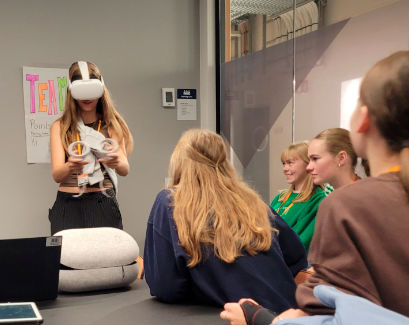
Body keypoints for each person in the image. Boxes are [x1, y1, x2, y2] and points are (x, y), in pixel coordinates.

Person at [220, 50, 409, 325]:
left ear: (364, 119)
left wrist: (259, 321)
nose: (307, 167)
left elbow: (323, 322)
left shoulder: (346, 205)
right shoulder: (350, 200)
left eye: (314, 159)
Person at [144, 129, 308, 312]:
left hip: (248, 321)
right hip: (289, 316)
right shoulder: (252, 201)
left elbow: (166, 288)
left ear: (180, 162)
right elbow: (297, 257)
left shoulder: (170, 202)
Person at [49, 61, 133, 234]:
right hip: (68, 203)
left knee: (108, 252)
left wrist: (116, 162)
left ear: (101, 89)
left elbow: (125, 169)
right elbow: (57, 175)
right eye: (82, 92)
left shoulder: (111, 124)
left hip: (102, 201)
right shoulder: (60, 127)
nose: (87, 98)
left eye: (92, 91)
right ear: (72, 92)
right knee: (64, 252)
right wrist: (70, 166)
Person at [270, 142, 326, 252]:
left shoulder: (317, 200)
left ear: (308, 164)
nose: (285, 169)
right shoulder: (280, 197)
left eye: (290, 163)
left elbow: (301, 243)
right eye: (284, 164)